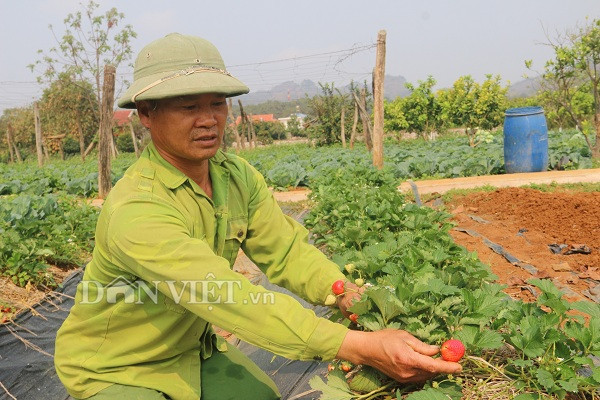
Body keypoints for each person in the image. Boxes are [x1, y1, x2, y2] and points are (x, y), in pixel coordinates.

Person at [54, 33, 461, 400]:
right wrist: (357, 346)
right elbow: (227, 295)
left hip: (189, 348)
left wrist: (340, 291)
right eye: (189, 106)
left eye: (217, 103)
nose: (209, 118)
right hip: (115, 366)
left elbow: (285, 251)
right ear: (146, 113)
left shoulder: (235, 176)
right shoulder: (136, 210)